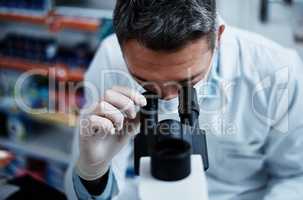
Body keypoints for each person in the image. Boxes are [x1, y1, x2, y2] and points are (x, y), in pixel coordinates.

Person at [65, 0, 303, 199]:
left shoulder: (278, 71)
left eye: (186, 82)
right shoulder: (111, 57)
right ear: (120, 42)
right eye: (144, 81)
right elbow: (81, 193)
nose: (168, 99)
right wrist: (93, 173)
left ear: (217, 37)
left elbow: (296, 176)